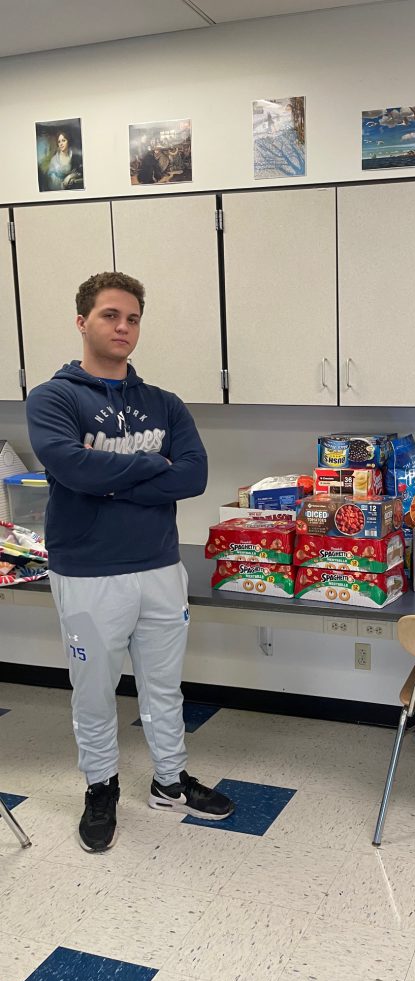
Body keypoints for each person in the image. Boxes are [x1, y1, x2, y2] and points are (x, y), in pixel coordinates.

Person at [26, 271, 235, 853]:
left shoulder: (163, 404)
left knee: (164, 689)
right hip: (88, 577)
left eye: (133, 318)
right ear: (82, 322)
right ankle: (101, 789)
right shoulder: (53, 398)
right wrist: (151, 470)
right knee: (93, 691)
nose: (123, 327)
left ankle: (169, 782)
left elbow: (192, 476)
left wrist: (111, 478)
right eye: (110, 315)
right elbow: (72, 468)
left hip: (161, 571)